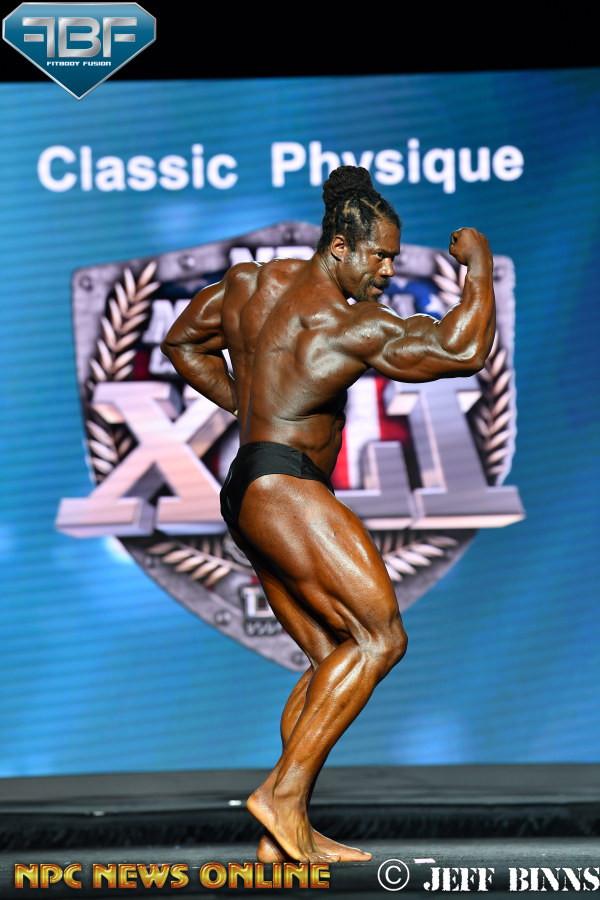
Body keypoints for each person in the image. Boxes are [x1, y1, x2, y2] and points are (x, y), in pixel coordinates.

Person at [161, 166, 495, 863]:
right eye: (379, 256)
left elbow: (181, 342)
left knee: (330, 657)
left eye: (393, 258)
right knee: (381, 639)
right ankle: (281, 797)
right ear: (339, 246)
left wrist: (251, 405)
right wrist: (480, 265)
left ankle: (285, 832)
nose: (387, 270)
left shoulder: (249, 284)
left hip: (247, 486)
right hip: (286, 486)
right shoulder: (349, 323)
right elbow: (463, 349)